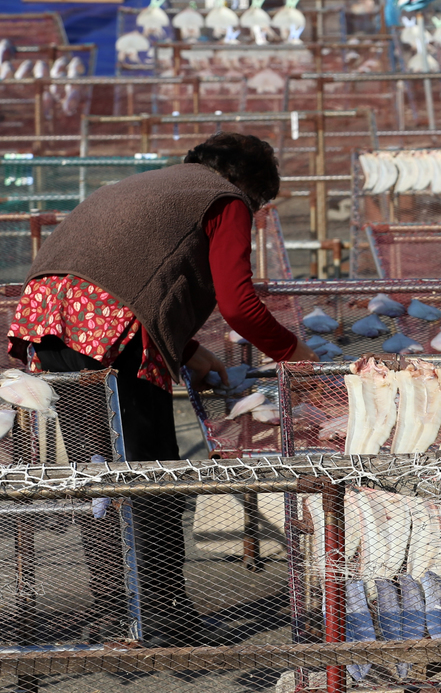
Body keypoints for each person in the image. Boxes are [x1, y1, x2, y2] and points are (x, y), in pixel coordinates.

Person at [7, 132, 317, 646]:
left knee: (101, 474)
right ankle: (164, 619)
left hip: (50, 311)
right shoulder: (225, 197)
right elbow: (239, 305)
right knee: (153, 472)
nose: (255, 212)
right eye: (260, 203)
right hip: (106, 324)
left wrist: (189, 351)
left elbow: (133, 269)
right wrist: (296, 355)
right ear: (251, 185)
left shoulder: (161, 185)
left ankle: (121, 613)